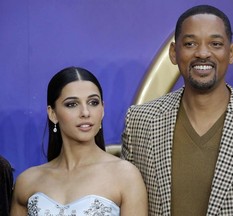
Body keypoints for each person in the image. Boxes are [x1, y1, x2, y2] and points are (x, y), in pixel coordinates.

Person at [121, 4, 233, 216]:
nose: (202, 53)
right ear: (174, 52)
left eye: (215, 44)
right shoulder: (140, 122)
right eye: (190, 43)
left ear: (231, 52)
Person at [10, 66, 148, 216]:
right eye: (72, 104)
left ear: (103, 109)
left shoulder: (126, 176)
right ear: (52, 113)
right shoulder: (27, 181)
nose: (85, 112)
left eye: (93, 102)